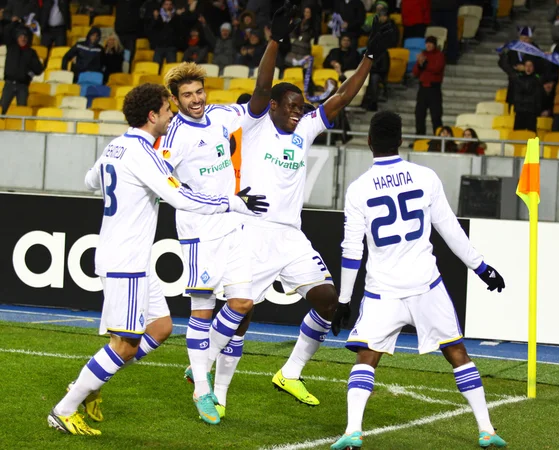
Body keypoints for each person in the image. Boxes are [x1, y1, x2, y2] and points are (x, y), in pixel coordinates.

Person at [186, 9, 396, 412]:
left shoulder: (304, 129)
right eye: (292, 104)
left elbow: (342, 98)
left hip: (290, 236)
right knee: (240, 317)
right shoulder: (255, 124)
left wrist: (369, 56)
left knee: (329, 301)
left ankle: (290, 372)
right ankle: (212, 381)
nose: (299, 110)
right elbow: (262, 85)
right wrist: (276, 43)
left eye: (302, 105)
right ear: (274, 107)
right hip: (250, 231)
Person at [46, 83, 268, 436]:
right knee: (125, 344)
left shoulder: (117, 145)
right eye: (167, 110)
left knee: (161, 328)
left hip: (130, 257)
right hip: (126, 259)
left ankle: (88, 385)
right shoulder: (143, 154)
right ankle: (67, 406)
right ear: (152, 115)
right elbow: (181, 199)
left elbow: (91, 181)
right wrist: (232, 202)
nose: (171, 116)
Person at [330, 110, 507, 450]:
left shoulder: (358, 190)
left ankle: (353, 430)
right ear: (401, 141)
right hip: (426, 284)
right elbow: (450, 230)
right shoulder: (425, 177)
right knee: (456, 352)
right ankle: (486, 429)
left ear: (368, 142)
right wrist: (481, 267)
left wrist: (344, 299)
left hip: (383, 291)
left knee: (367, 356)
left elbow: (351, 249)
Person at [157, 62, 269, 425]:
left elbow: (257, 105)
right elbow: (164, 184)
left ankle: (199, 364)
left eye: (199, 91)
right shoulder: (173, 136)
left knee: (243, 302)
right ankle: (201, 388)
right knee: (202, 310)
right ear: (175, 100)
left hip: (231, 223)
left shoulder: (220, 116)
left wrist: (274, 47)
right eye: (187, 95)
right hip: (198, 231)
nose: (196, 99)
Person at [0, 23, 43, 114]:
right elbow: (7, 32)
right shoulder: (11, 47)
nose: (23, 38)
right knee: (2, 109)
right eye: (21, 36)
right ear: (17, 38)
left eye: (25, 37)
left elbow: (39, 69)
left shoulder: (31, 52)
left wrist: (29, 73)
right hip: (9, 84)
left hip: (23, 86)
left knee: (22, 112)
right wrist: (16, 23)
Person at [499, 55, 542, 132]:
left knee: (531, 137)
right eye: (526, 66)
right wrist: (503, 56)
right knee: (517, 135)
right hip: (519, 111)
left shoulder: (537, 79)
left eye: (530, 66)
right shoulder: (518, 77)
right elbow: (505, 67)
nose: (528, 68)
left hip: (531, 112)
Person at [413, 35, 445, 137]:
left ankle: (439, 139)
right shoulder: (423, 54)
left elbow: (437, 68)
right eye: (427, 43)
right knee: (419, 115)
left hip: (434, 89)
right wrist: (419, 64)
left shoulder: (439, 55)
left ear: (434, 44)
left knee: (436, 116)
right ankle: (419, 138)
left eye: (430, 43)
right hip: (422, 88)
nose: (428, 45)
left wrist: (424, 63)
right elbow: (415, 72)